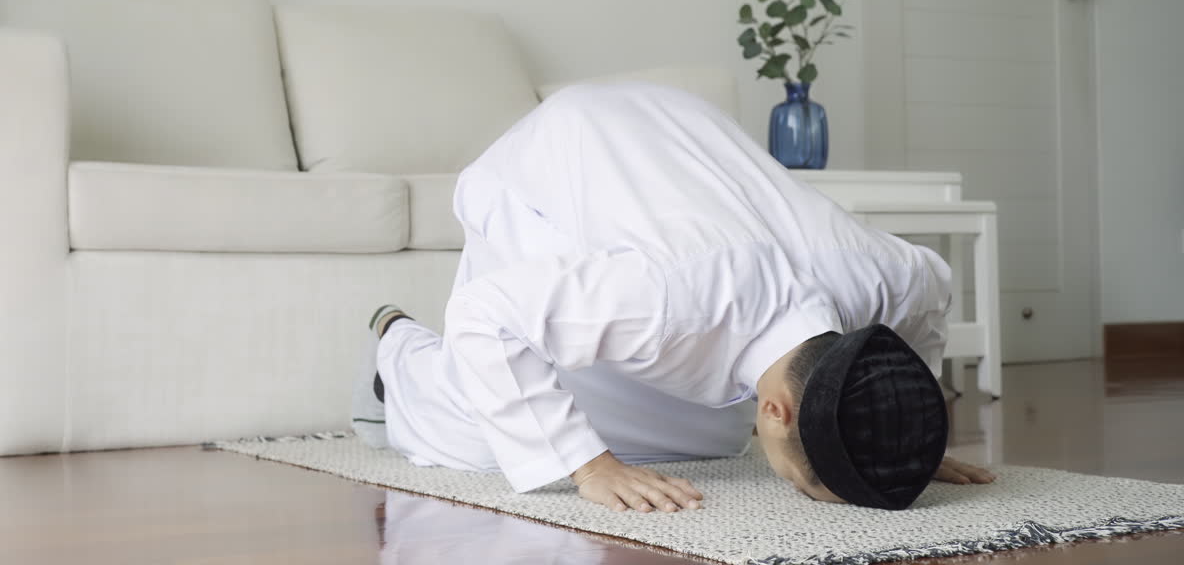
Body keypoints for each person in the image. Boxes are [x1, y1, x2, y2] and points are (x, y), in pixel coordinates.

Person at [351, 81, 995, 512]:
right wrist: (589, 467)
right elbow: (483, 312)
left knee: (694, 443)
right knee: (485, 441)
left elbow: (933, 284)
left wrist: (898, 428)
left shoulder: (882, 278)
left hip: (671, 135)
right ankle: (397, 347)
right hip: (546, 165)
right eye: (803, 486)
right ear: (776, 412)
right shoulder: (664, 299)